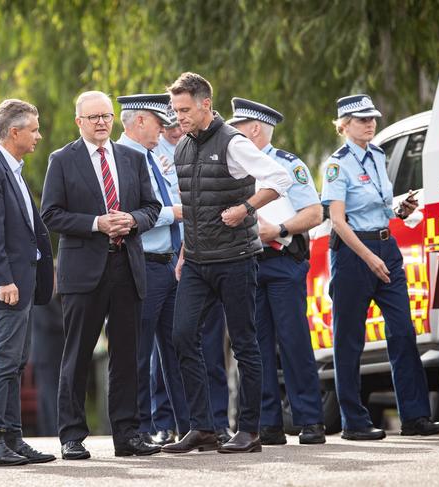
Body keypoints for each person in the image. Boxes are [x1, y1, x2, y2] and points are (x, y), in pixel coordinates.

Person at [162, 73, 292, 455]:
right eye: (175, 110)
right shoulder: (182, 147)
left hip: (236, 259)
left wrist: (247, 208)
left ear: (205, 104)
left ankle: (248, 430)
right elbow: (196, 207)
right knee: (182, 336)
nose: (178, 118)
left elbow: (279, 177)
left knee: (245, 345)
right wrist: (185, 252)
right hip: (198, 263)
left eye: (184, 110)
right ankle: (203, 427)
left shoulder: (234, 142)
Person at [41, 91, 162, 460]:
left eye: (106, 116)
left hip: (126, 266)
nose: (100, 123)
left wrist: (133, 220)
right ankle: (73, 436)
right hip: (83, 272)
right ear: (78, 121)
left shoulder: (131, 157)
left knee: (127, 357)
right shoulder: (62, 160)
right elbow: (51, 214)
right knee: (77, 355)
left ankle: (127, 435)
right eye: (92, 117)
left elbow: (152, 207)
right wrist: (96, 223)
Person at [321, 94, 439, 440]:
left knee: (403, 332)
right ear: (344, 125)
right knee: (349, 340)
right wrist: (368, 257)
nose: (370, 123)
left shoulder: (377, 154)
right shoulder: (337, 164)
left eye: (372, 117)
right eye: (362, 119)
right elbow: (338, 221)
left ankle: (415, 416)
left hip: (385, 246)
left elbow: (378, 207)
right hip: (352, 253)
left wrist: (399, 210)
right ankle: (354, 422)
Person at [227, 97, 325, 445]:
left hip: (284, 262)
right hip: (247, 263)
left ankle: (310, 420)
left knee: (294, 341)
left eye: (237, 128)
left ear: (254, 129)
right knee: (255, 346)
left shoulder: (288, 165)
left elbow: (314, 214)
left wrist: (279, 230)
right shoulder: (235, 167)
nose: (231, 133)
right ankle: (267, 423)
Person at [0, 98, 56, 466]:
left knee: (18, 360)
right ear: (14, 132)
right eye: (33, 129)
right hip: (7, 284)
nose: (38, 135)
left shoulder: (12, 170)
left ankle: (14, 439)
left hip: (24, 281)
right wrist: (3, 278)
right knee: (5, 359)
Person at [151, 107, 231, 446]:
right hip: (172, 257)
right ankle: (167, 420)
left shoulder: (204, 149)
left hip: (202, 256)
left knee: (210, 346)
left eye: (178, 124)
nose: (174, 131)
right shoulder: (151, 157)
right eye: (168, 126)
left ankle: (217, 421)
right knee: (169, 346)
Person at [114, 93, 191, 444]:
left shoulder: (155, 157)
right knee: (138, 353)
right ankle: (141, 429)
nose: (163, 130)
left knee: (180, 347)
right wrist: (172, 214)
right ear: (140, 120)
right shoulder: (118, 158)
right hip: (140, 263)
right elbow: (128, 213)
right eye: (159, 122)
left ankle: (190, 426)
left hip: (170, 262)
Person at [30, 288, 64, 437]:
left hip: (44, 355)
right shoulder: (43, 297)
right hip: (47, 354)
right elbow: (49, 322)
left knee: (46, 396)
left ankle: (48, 430)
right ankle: (53, 430)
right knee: (50, 395)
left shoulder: (45, 297)